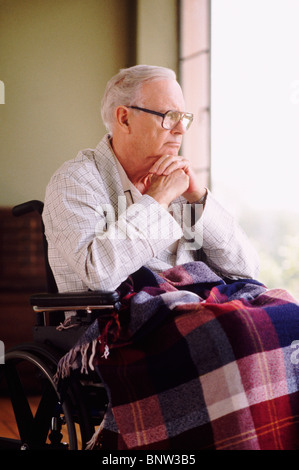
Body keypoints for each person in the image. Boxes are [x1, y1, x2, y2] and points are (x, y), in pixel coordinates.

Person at [43, 65, 259, 294]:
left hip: (199, 310)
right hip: (121, 323)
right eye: (169, 117)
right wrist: (158, 199)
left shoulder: (182, 186)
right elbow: (99, 273)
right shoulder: (74, 181)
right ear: (124, 118)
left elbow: (247, 270)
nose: (180, 130)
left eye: (183, 118)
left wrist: (199, 199)